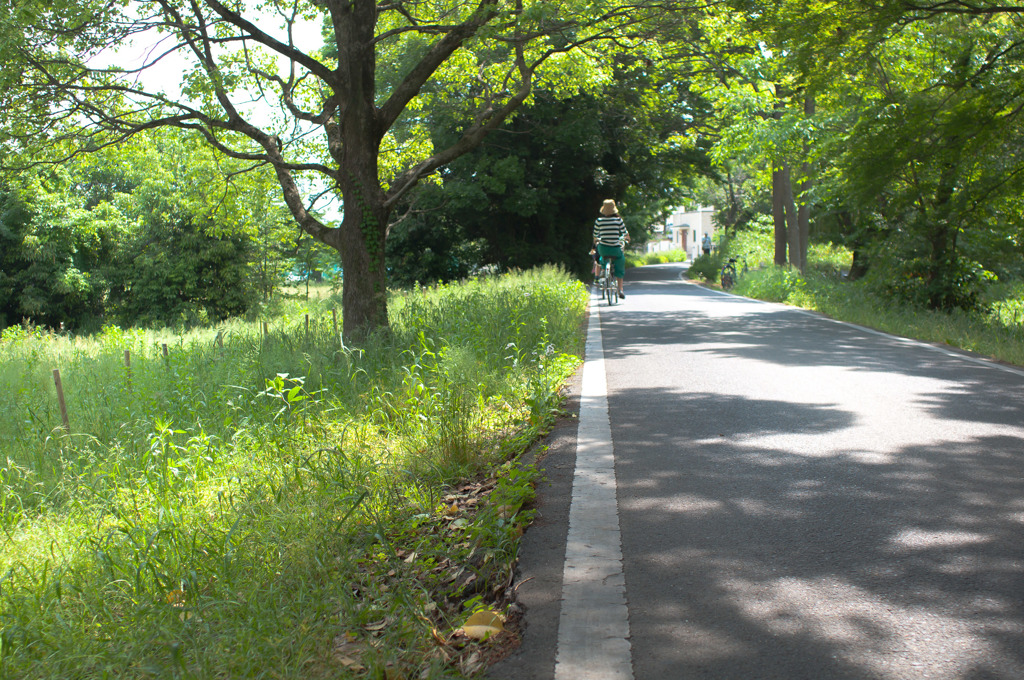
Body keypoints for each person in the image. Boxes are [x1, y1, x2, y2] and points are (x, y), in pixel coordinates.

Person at [593, 199, 630, 298]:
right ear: (614, 210)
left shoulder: (599, 221)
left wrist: (596, 241)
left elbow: (595, 235)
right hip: (615, 249)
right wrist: (627, 239)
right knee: (620, 261)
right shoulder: (618, 220)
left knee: (602, 258)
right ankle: (620, 289)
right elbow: (625, 233)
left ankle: (604, 273)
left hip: (603, 249)